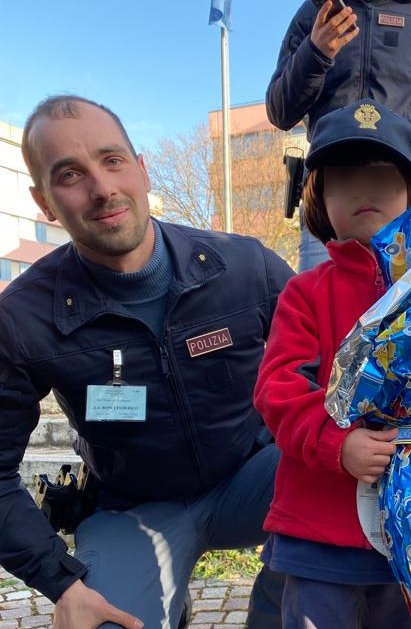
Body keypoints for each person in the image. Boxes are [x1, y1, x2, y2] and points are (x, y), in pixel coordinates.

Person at [0, 95, 294, 629]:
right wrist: (61, 582)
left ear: (141, 170)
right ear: (44, 203)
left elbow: (339, 374)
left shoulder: (247, 267)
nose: (102, 189)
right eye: (70, 174)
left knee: (359, 491)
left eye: (112, 161)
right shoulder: (23, 320)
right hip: (133, 509)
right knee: (107, 623)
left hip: (256, 478)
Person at [252, 99, 411, 629]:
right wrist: (334, 442)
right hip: (319, 534)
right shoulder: (305, 293)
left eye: (383, 177)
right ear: (318, 196)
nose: (364, 191)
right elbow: (277, 389)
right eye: (343, 177)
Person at [267, 0, 411, 271]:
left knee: (408, 312)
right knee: (322, 306)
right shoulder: (317, 12)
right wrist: (315, 53)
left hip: (405, 201)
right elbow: (280, 111)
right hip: (331, 201)